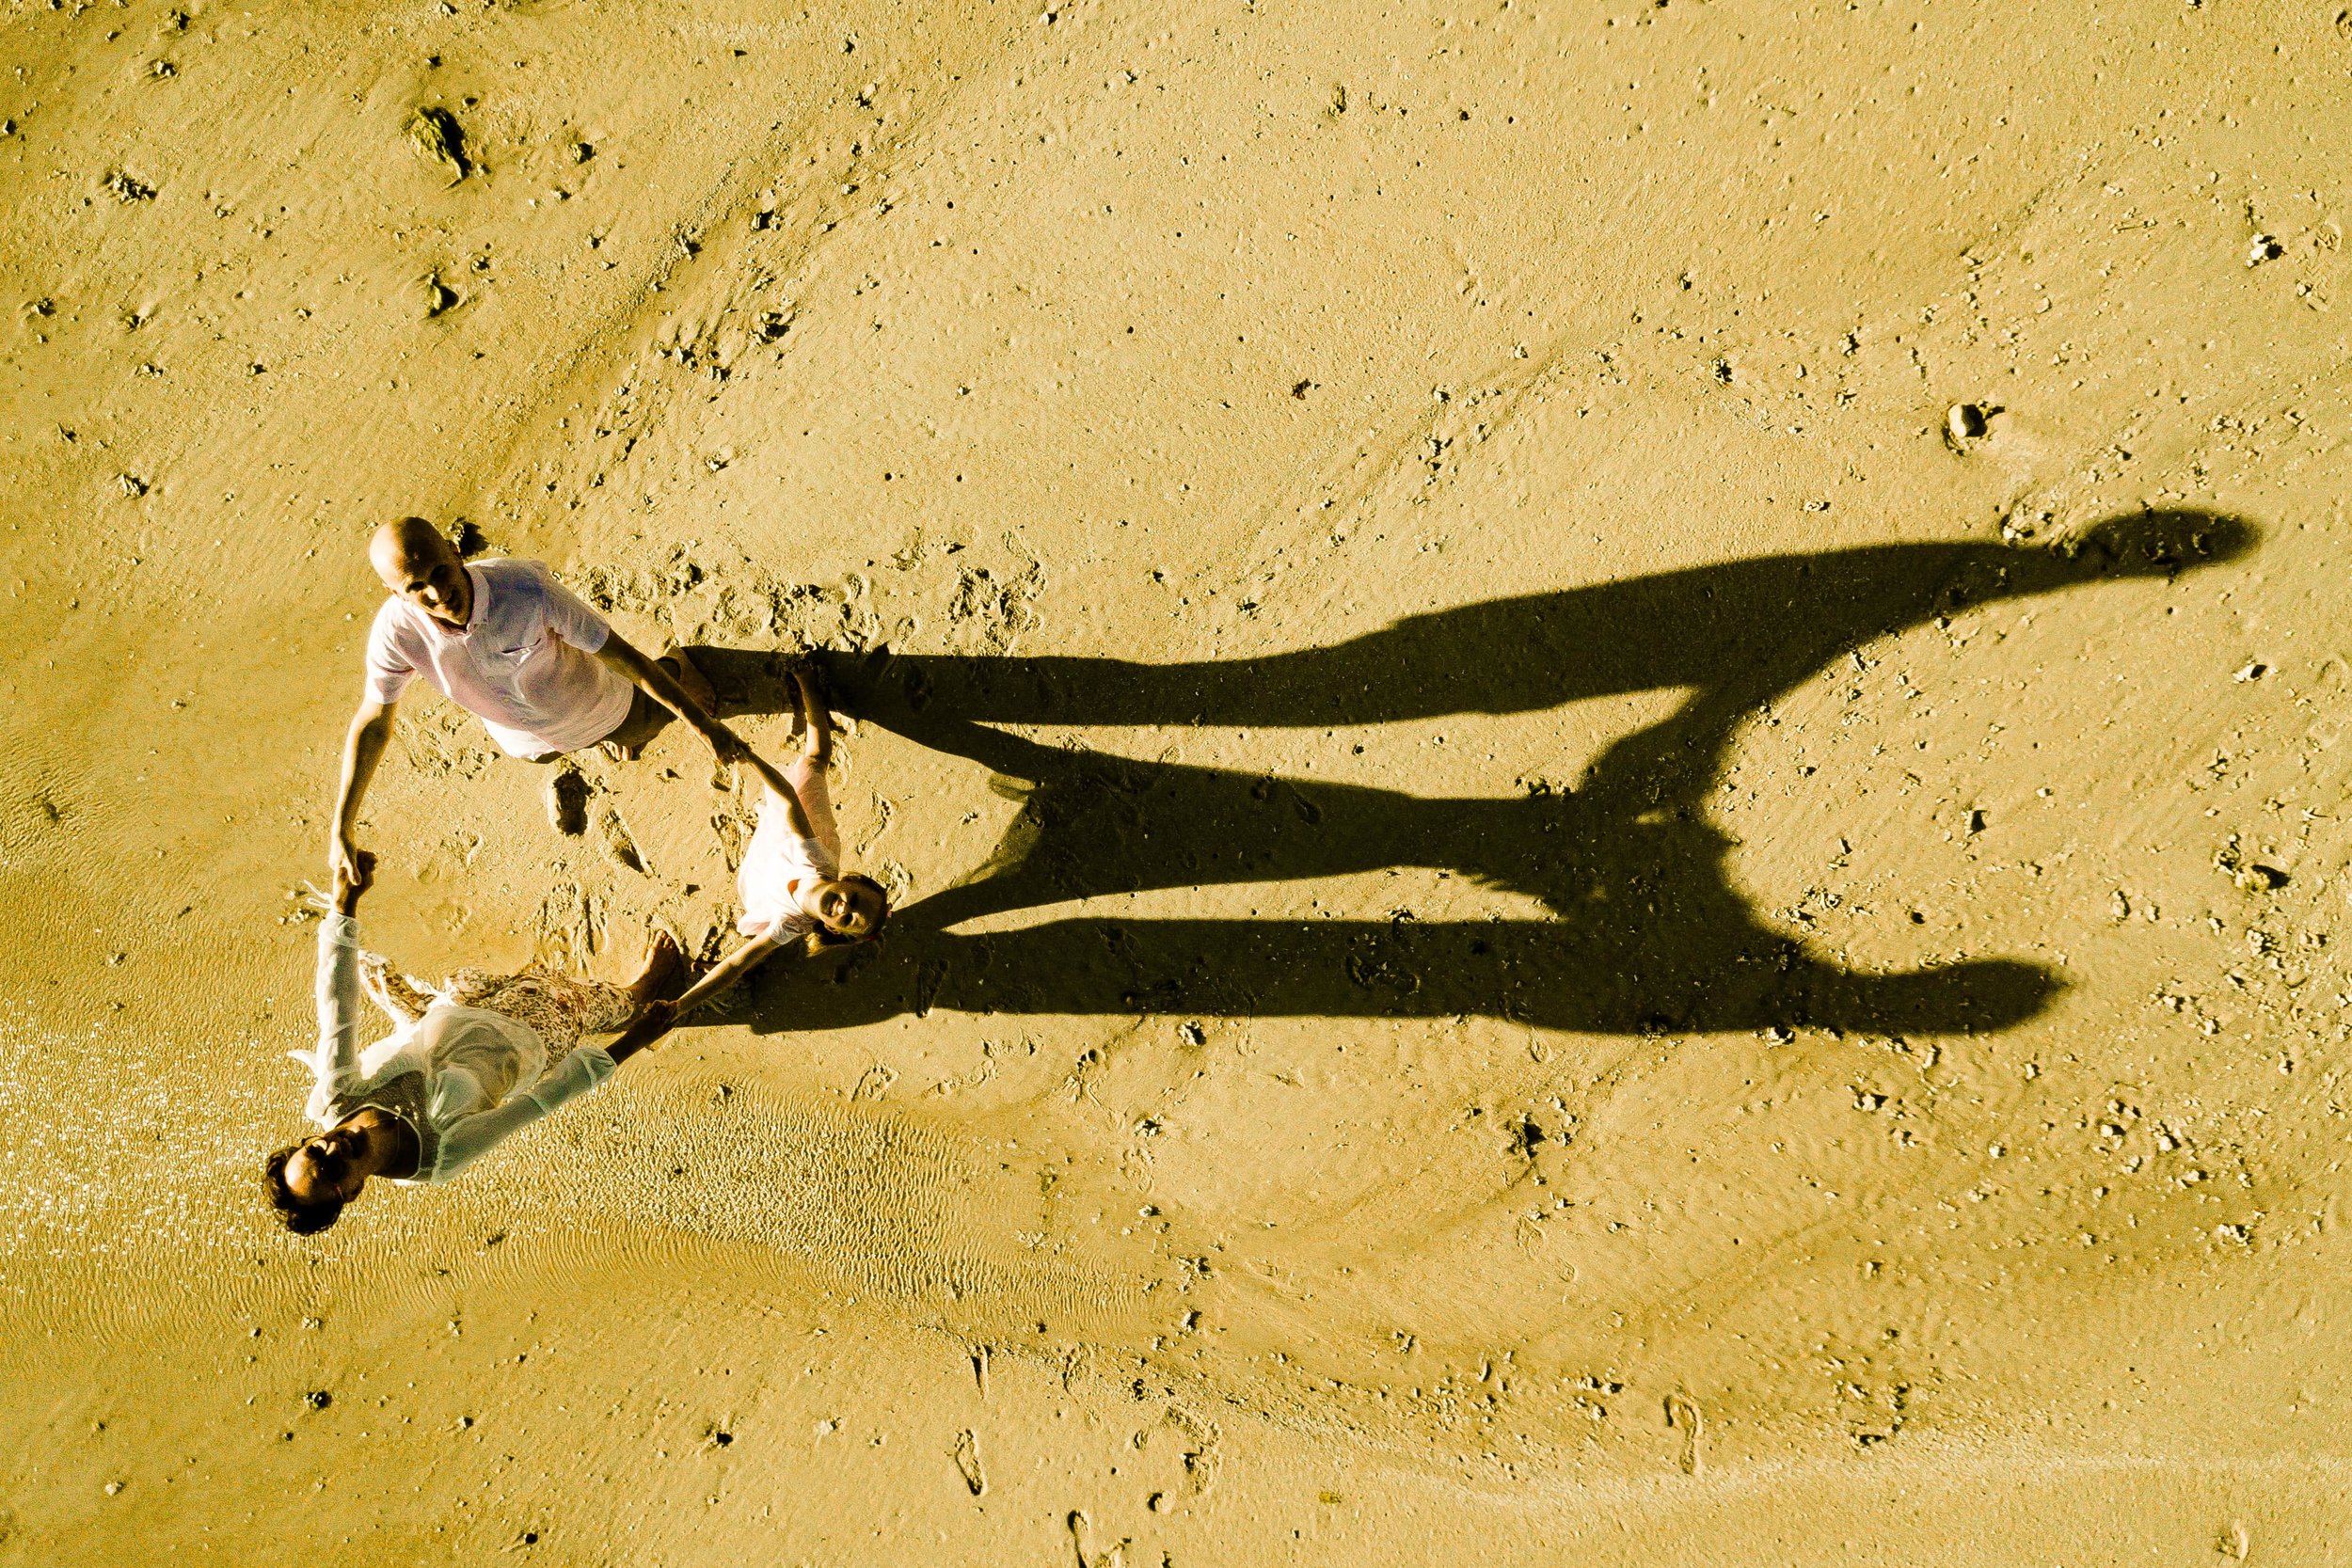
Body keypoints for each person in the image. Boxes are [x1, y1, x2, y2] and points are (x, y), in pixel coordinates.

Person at [264, 850, 681, 1234]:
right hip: (522, 1043)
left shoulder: (338, 1097)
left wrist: (344, 904)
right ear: (352, 1191)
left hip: (449, 1015)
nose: (332, 1150)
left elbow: (336, 1007)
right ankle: (638, 994)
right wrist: (635, 1040)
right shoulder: (438, 1157)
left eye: (314, 1152)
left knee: (485, 986)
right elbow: (537, 1104)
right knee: (575, 1004)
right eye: (334, 1172)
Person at [328, 515, 743, 882]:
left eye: (439, 570)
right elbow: (375, 720)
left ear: (455, 552)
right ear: (395, 592)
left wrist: (703, 726)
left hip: (600, 707)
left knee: (645, 723)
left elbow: (626, 658)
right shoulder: (394, 634)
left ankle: (678, 664)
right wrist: (342, 828)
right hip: (527, 744)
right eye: (416, 587)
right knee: (551, 754)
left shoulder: (527, 591)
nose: (438, 593)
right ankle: (599, 740)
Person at [605, 666, 888, 1053]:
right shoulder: (817, 858)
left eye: (848, 918)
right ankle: (810, 686)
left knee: (755, 939)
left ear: (833, 929)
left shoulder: (790, 925)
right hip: (803, 830)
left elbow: (736, 965)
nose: (845, 906)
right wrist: (748, 756)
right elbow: (789, 800)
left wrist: (680, 1005)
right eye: (854, 898)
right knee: (815, 761)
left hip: (769, 875)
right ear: (849, 881)